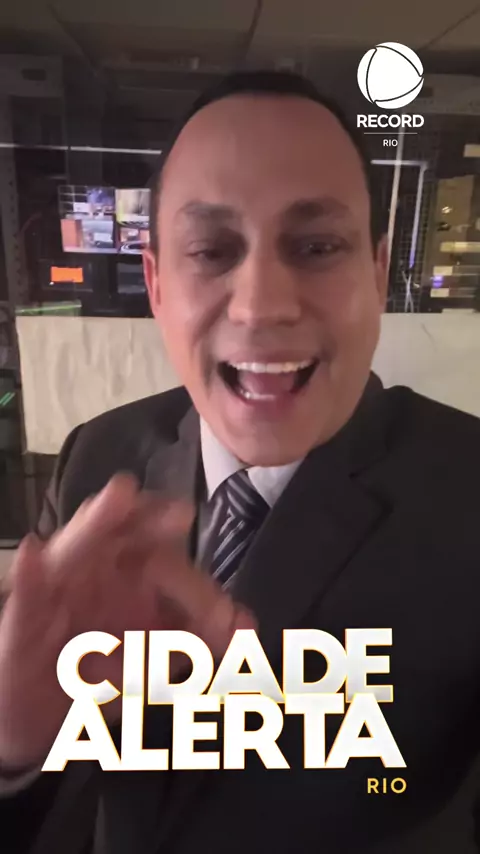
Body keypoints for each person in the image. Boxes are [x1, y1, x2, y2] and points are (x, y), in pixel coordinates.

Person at [1, 69, 480, 854]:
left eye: (317, 247)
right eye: (211, 250)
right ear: (157, 283)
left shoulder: (467, 494)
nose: (261, 305)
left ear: (374, 272)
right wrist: (16, 747)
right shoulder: (98, 459)